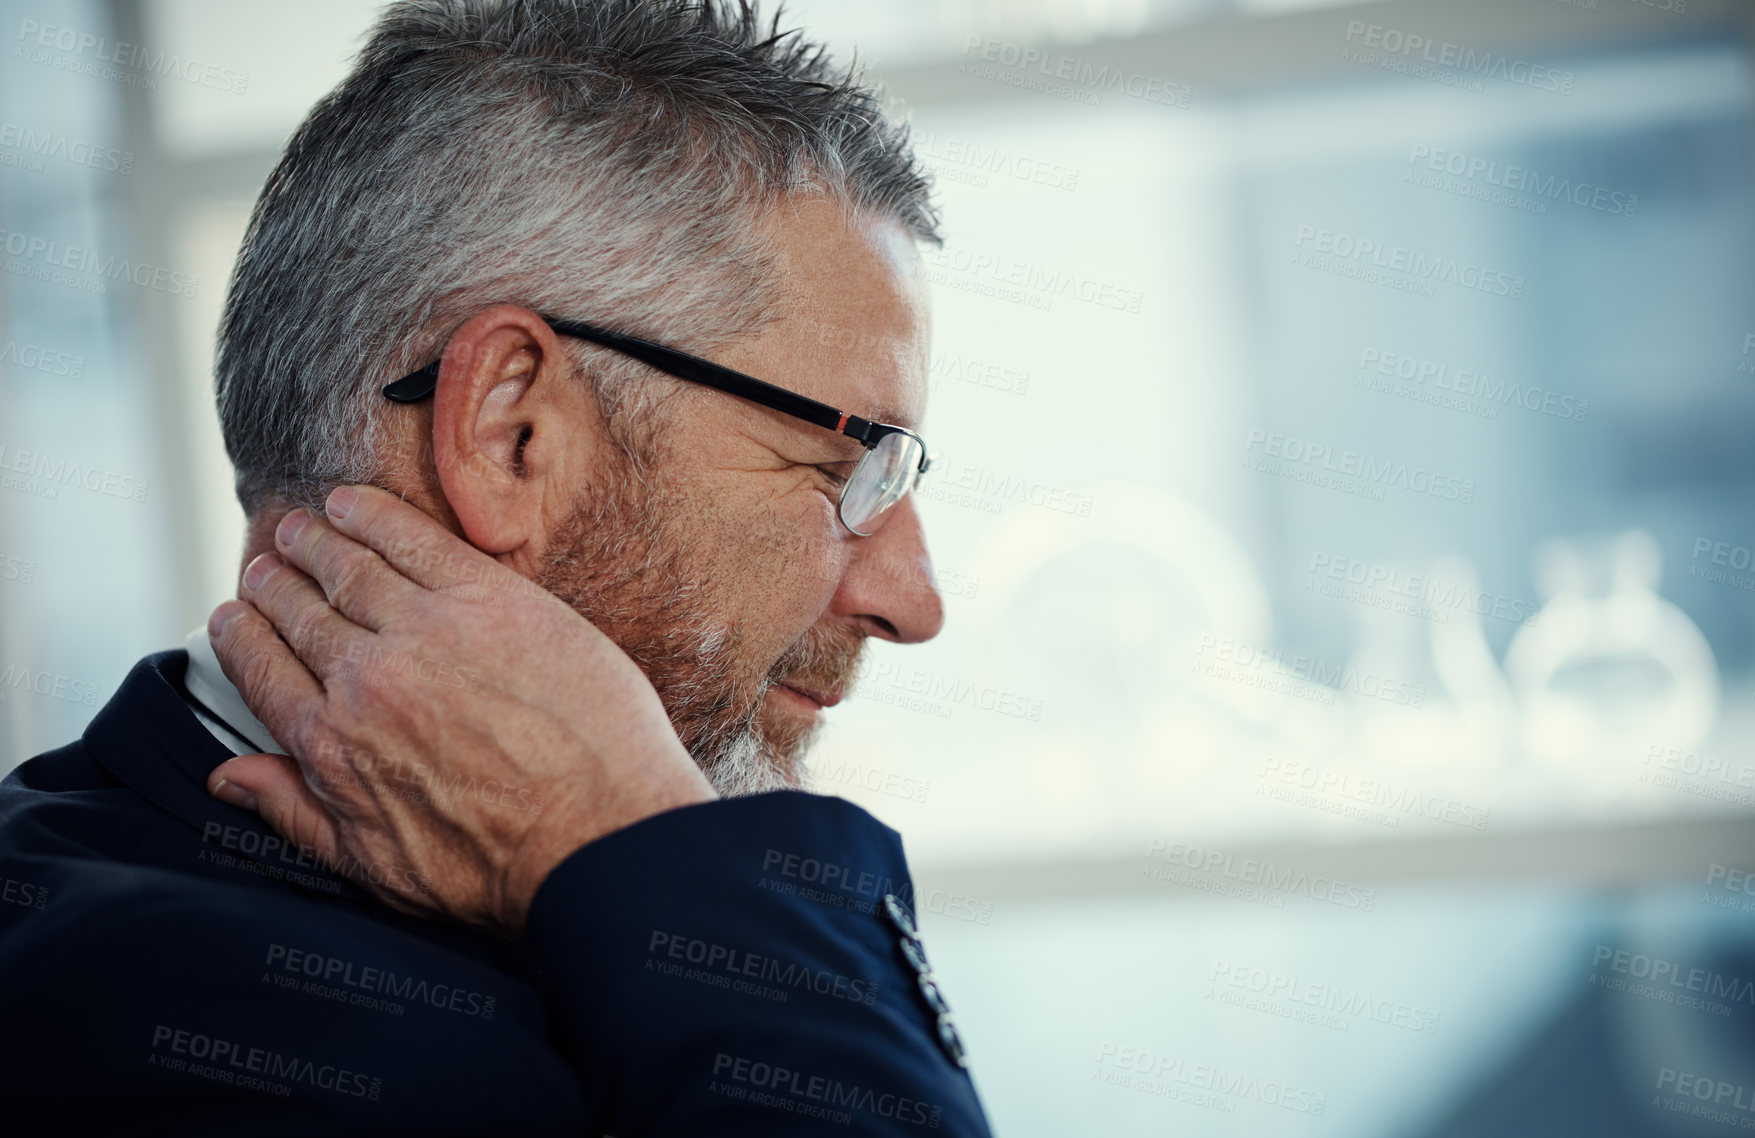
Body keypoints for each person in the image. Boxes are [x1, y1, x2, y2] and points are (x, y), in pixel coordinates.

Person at [0, 1, 993, 1133]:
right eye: (845, 472)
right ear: (509, 435)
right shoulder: (157, 1032)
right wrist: (624, 841)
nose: (914, 603)